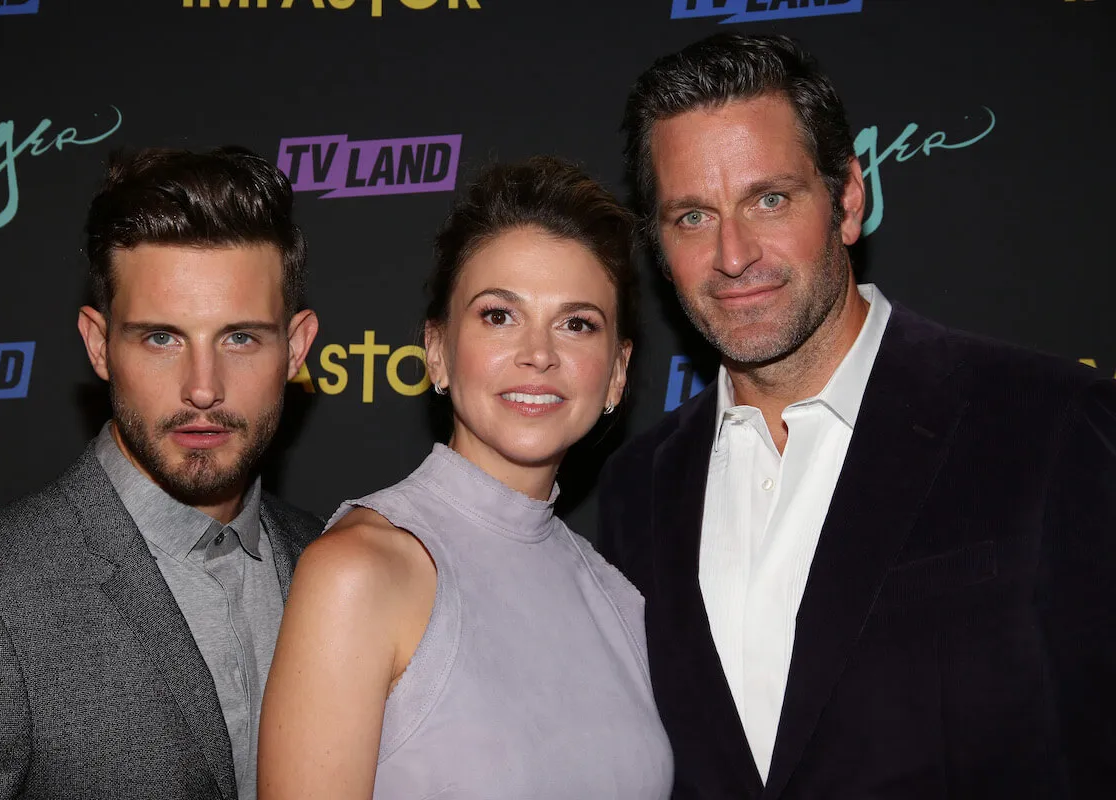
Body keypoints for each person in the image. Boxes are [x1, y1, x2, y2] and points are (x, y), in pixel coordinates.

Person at [598, 32, 1116, 800]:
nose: (734, 255)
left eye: (769, 199)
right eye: (693, 218)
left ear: (848, 199)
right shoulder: (636, 487)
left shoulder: (1051, 425)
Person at [258, 156, 673, 799]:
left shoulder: (619, 599)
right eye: (499, 315)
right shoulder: (359, 571)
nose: (539, 353)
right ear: (437, 350)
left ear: (617, 373)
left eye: (577, 323)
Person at [0, 146, 323, 800]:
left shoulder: (330, 562)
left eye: (240, 337)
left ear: (296, 347)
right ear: (99, 345)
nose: (202, 388)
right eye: (161, 337)